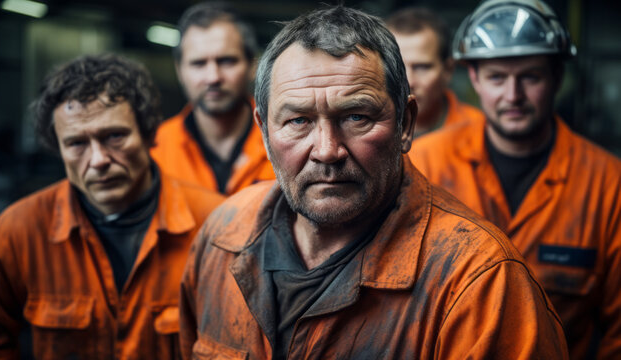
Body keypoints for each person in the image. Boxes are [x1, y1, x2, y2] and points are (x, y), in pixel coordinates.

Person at [179, 6, 569, 359]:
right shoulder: (222, 237)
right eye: (298, 121)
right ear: (264, 131)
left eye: (356, 117)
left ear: (405, 124)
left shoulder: (479, 283)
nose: (327, 151)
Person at [410, 0, 621, 358]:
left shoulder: (608, 183)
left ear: (556, 77)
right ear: (474, 79)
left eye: (530, 77)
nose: (513, 96)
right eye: (496, 78)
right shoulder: (424, 162)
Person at [0, 54, 224, 359]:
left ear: (150, 133)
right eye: (76, 143)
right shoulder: (19, 230)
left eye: (114, 136)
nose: (98, 160)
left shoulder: (214, 225)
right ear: (57, 147)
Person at [151, 2, 274, 195]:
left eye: (226, 61)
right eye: (198, 63)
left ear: (252, 66)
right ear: (180, 71)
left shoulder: (282, 139)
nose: (213, 77)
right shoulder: (155, 150)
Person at [386, 7, 483, 137]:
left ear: (448, 70)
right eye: (396, 67)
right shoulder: (365, 129)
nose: (409, 82)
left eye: (422, 67)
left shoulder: (479, 132)